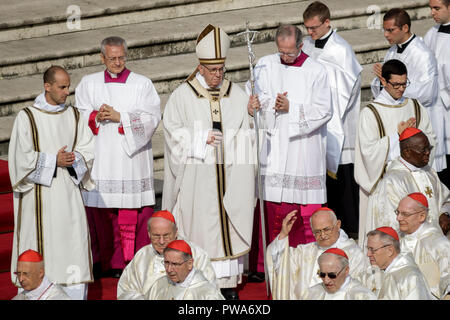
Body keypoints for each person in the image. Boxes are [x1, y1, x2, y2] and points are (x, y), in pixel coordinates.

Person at [161, 25, 255, 300]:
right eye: (212, 70)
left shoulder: (235, 92)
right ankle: (201, 286)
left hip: (230, 176)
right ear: (200, 68)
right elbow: (171, 131)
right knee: (201, 232)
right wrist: (200, 138)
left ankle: (227, 287)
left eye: (221, 70)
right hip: (197, 181)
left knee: (226, 233)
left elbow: (245, 131)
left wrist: (250, 115)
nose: (218, 76)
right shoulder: (182, 95)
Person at [247, 24, 332, 281]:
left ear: (301, 45)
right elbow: (254, 95)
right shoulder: (263, 64)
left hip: (302, 148)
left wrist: (291, 108)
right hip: (274, 146)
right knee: (270, 205)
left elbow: (324, 109)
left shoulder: (316, 71)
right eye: (281, 52)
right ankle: (262, 266)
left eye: (290, 52)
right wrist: (252, 105)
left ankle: (301, 263)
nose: (285, 57)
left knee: (298, 206)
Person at [75, 36, 161, 278]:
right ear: (102, 58)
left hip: (130, 160)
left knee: (129, 213)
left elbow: (152, 118)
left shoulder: (142, 84)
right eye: (112, 58)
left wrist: (120, 117)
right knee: (102, 215)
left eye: (121, 57)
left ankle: (128, 262)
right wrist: (94, 116)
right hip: (101, 157)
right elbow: (77, 115)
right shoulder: (88, 83)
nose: (117, 62)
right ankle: (102, 260)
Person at [8, 66, 94, 300]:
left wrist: (75, 158)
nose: (67, 92)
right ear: (47, 86)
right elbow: (19, 160)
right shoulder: (27, 117)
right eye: (62, 87)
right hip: (40, 199)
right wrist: (52, 161)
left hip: (69, 199)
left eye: (68, 86)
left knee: (72, 250)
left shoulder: (75, 116)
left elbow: (88, 150)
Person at [355, 59, 436, 246]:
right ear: (383, 81)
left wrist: (414, 136)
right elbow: (368, 152)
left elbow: (431, 140)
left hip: (414, 183)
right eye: (396, 84)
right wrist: (398, 138)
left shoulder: (415, 106)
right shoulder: (370, 113)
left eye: (404, 83)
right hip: (384, 187)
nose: (401, 89)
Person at [301, 1, 363, 237]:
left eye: (314, 27)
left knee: (344, 181)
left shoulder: (341, 50)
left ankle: (350, 230)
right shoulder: (308, 45)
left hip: (339, 125)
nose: (310, 32)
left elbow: (344, 92)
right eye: (307, 27)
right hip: (318, 123)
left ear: (327, 22)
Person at [371, 8, 444, 172]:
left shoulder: (422, 54)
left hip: (419, 118)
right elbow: (384, 85)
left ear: (405, 28)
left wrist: (392, 85)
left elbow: (428, 92)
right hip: (399, 119)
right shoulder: (392, 51)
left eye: (390, 30)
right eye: (384, 30)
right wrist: (383, 83)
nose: (386, 34)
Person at [265, 207, 369, 300]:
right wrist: (283, 233)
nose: (323, 235)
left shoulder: (353, 253)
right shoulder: (306, 251)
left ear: (337, 225)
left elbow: (357, 289)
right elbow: (280, 260)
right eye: (317, 232)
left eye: (326, 229)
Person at [117, 210, 217, 299]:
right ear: (149, 234)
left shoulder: (197, 254)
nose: (161, 241)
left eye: (166, 236)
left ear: (175, 232)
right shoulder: (142, 256)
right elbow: (126, 290)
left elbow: (208, 292)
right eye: (156, 236)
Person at [366, 128, 449, 234]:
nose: (428, 153)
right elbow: (392, 222)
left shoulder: (430, 172)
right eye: (423, 150)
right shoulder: (392, 182)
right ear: (407, 152)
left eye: (429, 148)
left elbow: (445, 199)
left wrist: (444, 214)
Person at [396, 193, 450, 299]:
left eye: (405, 214)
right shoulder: (396, 241)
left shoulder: (437, 243)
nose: (398, 218)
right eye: (397, 212)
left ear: (422, 216)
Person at [363, 227, 434, 299]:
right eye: (368, 249)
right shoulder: (380, 273)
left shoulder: (410, 277)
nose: (368, 254)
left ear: (390, 251)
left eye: (372, 250)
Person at [424, 0, 450, 188]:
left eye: (437, 8)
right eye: (431, 8)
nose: (432, 12)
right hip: (435, 107)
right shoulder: (431, 34)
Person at [146, 240, 225, 300]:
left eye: (175, 264)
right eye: (166, 262)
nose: (169, 269)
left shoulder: (208, 294)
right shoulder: (158, 285)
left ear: (189, 264)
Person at [304, 248, 376, 300]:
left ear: (346, 270)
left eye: (331, 275)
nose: (326, 281)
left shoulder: (363, 296)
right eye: (322, 275)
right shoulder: (311, 293)